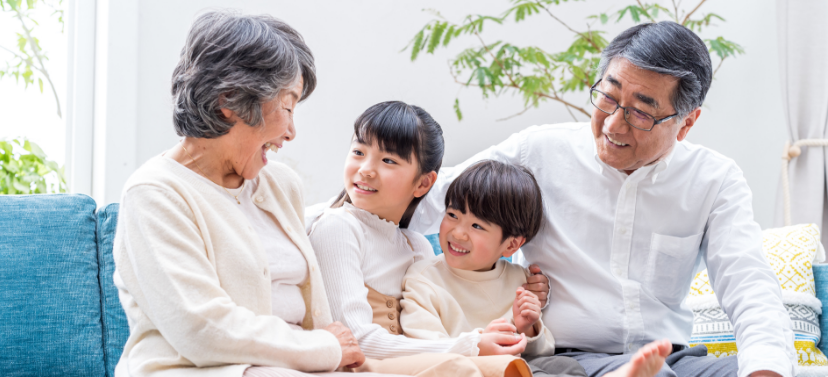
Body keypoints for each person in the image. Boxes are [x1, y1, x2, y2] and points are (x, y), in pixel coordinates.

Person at [407, 21, 796, 377]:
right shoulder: (538, 151)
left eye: (641, 113)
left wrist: (766, 368)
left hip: (674, 358)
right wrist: (357, 215)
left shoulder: (714, 179)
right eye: (607, 98)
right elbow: (427, 200)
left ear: (686, 123)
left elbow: (749, 284)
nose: (613, 124)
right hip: (564, 358)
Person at [112, 11, 393, 377]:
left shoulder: (280, 184)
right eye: (287, 106)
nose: (291, 131)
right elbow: (201, 328)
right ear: (230, 100)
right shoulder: (154, 195)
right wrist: (323, 348)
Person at [309, 101, 549, 377]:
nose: (365, 168)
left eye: (388, 160)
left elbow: (453, 313)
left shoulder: (416, 246)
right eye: (359, 152)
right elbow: (357, 341)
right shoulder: (338, 227)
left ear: (423, 183)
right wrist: (470, 346)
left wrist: (525, 311)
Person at [400, 160, 672, 377]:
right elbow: (424, 346)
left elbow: (543, 351)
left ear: (511, 245)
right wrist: (480, 344)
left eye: (477, 226)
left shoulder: (519, 279)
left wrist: (527, 329)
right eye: (452, 215)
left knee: (564, 368)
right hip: (466, 370)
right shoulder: (424, 278)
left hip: (523, 368)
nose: (458, 233)